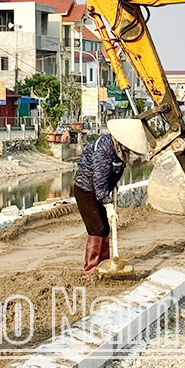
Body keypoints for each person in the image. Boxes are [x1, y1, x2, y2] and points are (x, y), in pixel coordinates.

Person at [73, 118, 150, 277]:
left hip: (101, 190)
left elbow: (111, 174)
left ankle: (104, 265)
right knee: (97, 228)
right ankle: (90, 271)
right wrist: (108, 206)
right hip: (86, 190)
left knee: (105, 228)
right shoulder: (103, 150)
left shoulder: (119, 150)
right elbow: (98, 183)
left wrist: (113, 186)